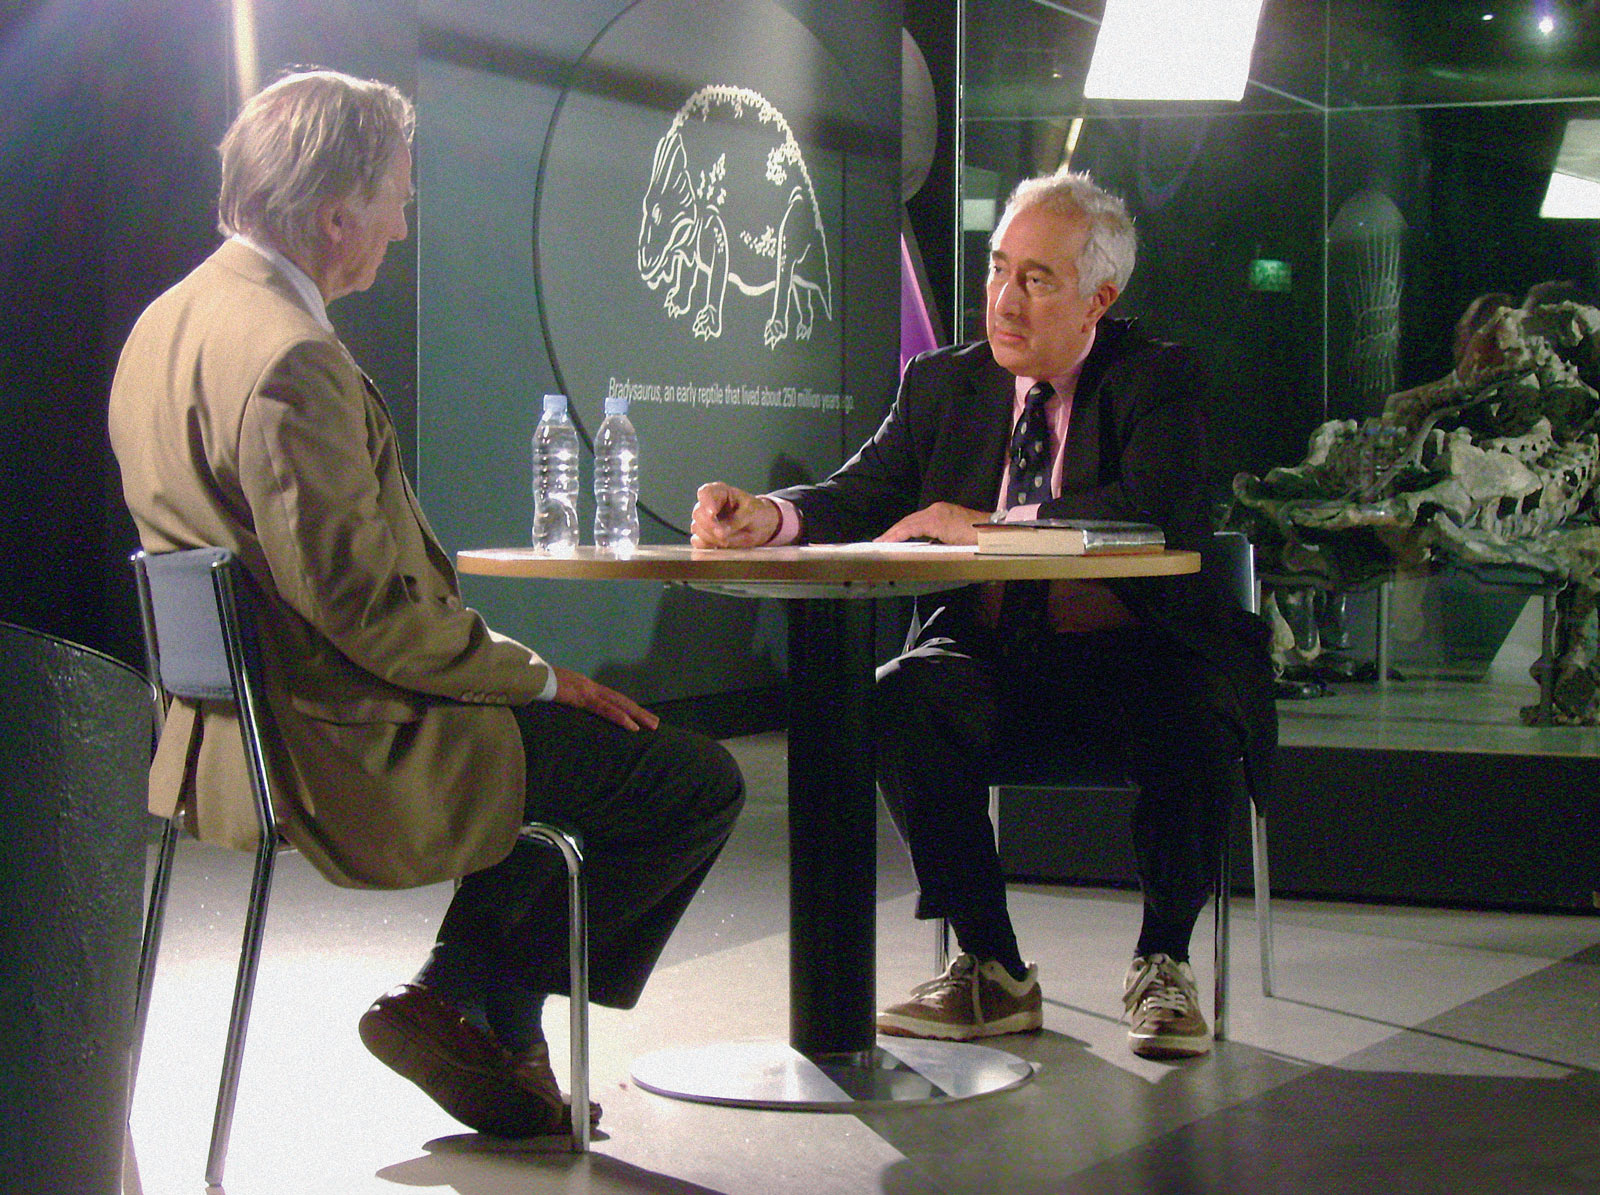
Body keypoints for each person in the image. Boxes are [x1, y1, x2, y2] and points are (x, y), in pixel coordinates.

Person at [108, 70, 744, 1137]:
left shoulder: (166, 323)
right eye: (400, 198)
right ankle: (477, 997)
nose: (404, 225)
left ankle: (488, 1014)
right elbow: (365, 607)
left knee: (570, 745)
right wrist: (538, 672)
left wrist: (517, 676)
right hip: (341, 741)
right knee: (687, 778)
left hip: (228, 731)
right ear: (335, 214)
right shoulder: (289, 360)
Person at [691, 170, 1274, 1059]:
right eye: (999, 269)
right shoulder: (941, 385)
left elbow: (1154, 507)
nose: (1004, 299)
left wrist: (995, 528)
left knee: (1192, 711)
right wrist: (767, 517)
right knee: (894, 697)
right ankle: (990, 967)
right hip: (992, 654)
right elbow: (863, 493)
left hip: (1135, 651)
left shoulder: (1157, 378)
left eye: (1036, 279)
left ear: (1098, 300)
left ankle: (1165, 959)